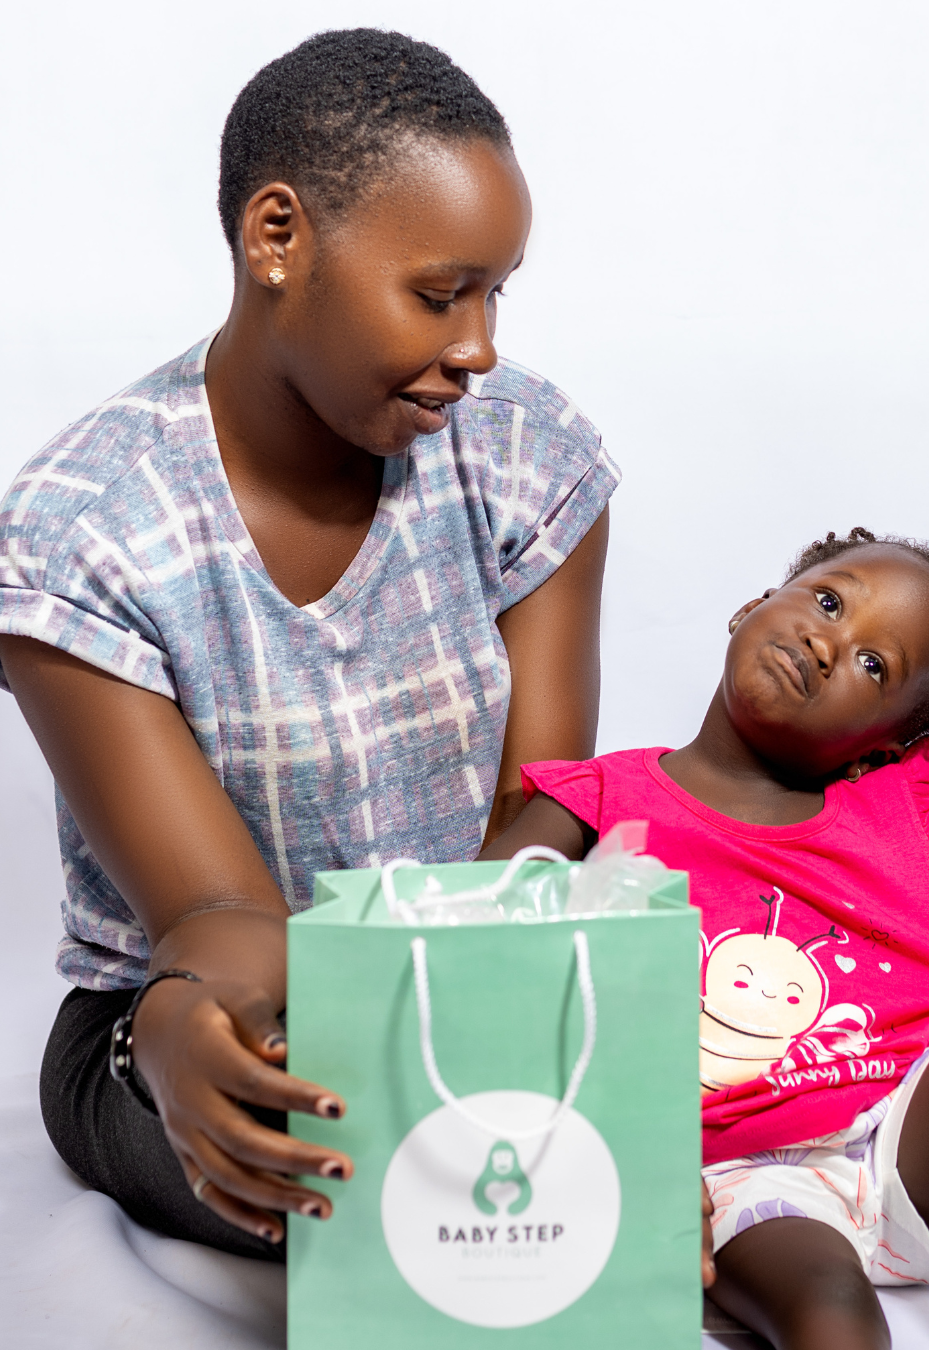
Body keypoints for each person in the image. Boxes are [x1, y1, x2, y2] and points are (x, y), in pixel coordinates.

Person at [0, 30, 618, 1259]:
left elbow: (535, 825)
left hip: (475, 959)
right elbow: (221, 911)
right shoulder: (82, 531)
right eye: (440, 294)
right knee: (330, 1129)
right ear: (276, 238)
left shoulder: (524, 451)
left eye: (498, 292)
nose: (480, 346)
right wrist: (183, 1021)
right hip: (203, 1011)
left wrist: (507, 1020)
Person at [483, 528, 929, 1350]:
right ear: (751, 609)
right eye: (829, 603)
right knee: (832, 1314)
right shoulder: (604, 796)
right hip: (742, 1168)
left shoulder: (891, 802)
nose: (830, 644)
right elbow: (474, 914)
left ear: (890, 744)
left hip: (912, 1143)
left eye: (876, 667)